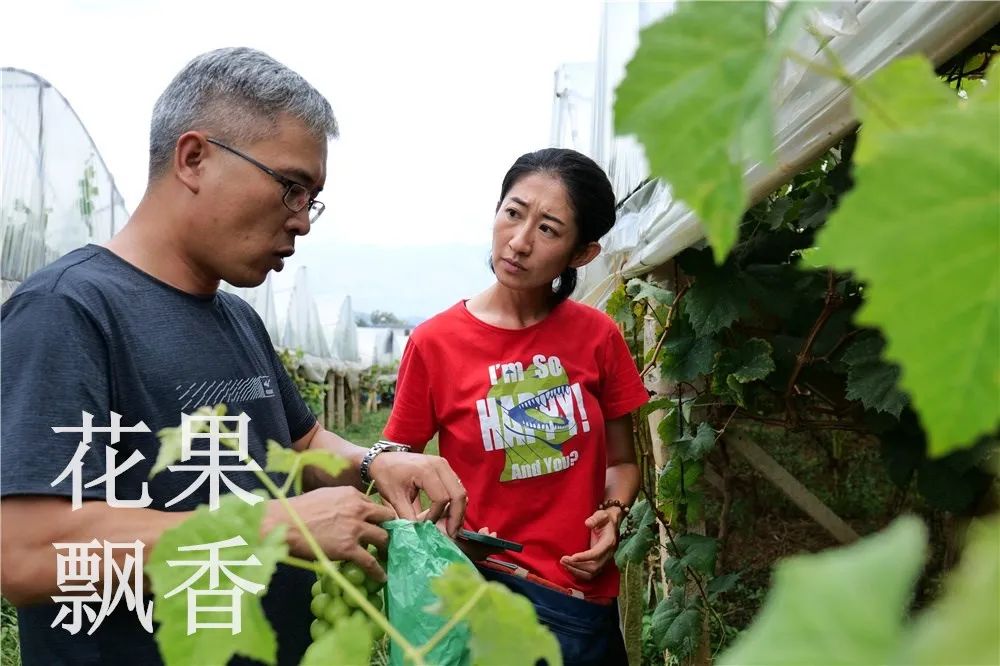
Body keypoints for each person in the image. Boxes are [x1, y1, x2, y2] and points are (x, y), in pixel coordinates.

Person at [0, 47, 465, 666]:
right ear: (194, 158)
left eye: (311, 199)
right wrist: (274, 527)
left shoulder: (235, 316)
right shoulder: (69, 311)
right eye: (290, 187)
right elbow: (27, 552)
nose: (302, 222)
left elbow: (297, 447)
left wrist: (372, 462)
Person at [383, 148, 649, 665]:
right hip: (478, 595)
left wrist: (613, 515)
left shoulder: (598, 337)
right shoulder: (435, 343)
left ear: (582, 254)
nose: (519, 242)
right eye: (513, 212)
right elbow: (398, 468)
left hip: (576, 598)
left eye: (549, 229)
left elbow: (622, 462)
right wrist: (440, 534)